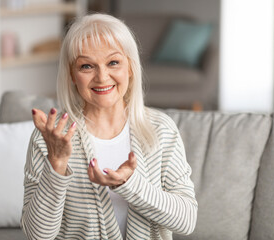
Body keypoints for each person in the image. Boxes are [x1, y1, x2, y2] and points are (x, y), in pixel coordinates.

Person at [20, 13, 198, 240]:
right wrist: (56, 163)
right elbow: (38, 236)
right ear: (72, 75)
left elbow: (187, 221)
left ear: (130, 67)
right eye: (86, 66)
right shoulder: (51, 137)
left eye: (113, 62)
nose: (102, 77)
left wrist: (128, 184)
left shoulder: (161, 129)